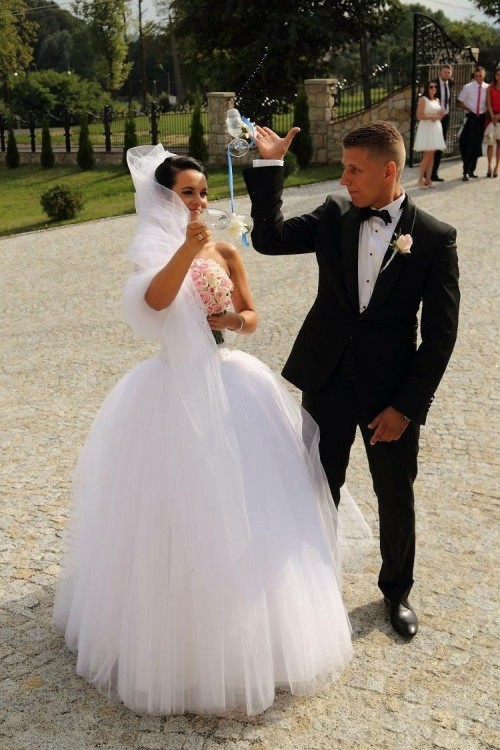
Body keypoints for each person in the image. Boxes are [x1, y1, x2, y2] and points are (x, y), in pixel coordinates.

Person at [53, 144, 367, 716]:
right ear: (164, 199)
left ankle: (253, 629)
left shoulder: (225, 249)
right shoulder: (152, 251)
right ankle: (171, 630)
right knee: (175, 502)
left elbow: (251, 316)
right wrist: (184, 250)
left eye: (202, 192)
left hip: (230, 380)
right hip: (172, 385)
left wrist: (231, 319)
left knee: (250, 501)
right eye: (186, 193)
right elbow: (153, 303)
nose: (198, 201)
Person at [243, 121, 460, 640]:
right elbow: (268, 240)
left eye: (354, 170)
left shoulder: (434, 238)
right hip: (327, 378)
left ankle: (397, 592)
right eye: (344, 168)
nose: (344, 179)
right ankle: (310, 588)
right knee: (317, 486)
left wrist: (405, 408)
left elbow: (440, 337)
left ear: (389, 170)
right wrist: (270, 164)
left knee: (395, 493)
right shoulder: (334, 214)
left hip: (390, 392)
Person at [457, 65, 489, 181]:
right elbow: (459, 102)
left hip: (482, 117)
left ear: (484, 75)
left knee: (477, 144)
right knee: (469, 144)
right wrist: (470, 109)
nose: (478, 78)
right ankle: (465, 171)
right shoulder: (468, 87)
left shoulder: (487, 87)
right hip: (472, 116)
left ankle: (472, 170)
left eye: (480, 75)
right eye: (476, 76)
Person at [414, 80, 446, 188]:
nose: (433, 88)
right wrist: (432, 117)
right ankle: (420, 180)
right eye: (431, 87)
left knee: (432, 155)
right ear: (427, 88)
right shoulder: (423, 99)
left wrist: (440, 115)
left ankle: (428, 179)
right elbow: (419, 116)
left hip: (435, 128)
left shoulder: (437, 100)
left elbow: (439, 115)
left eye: (435, 87)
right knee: (427, 155)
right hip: (427, 128)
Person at [430, 64, 453, 182]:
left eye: (449, 73)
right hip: (435, 118)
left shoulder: (451, 83)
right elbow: (427, 98)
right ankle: (427, 172)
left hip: (445, 118)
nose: (447, 74)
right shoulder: (433, 84)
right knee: (432, 146)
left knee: (440, 144)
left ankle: (434, 173)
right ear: (440, 72)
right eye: (445, 72)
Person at [484, 66, 500, 177]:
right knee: (490, 143)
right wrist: (493, 115)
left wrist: (498, 116)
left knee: (499, 144)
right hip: (491, 117)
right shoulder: (490, 87)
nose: (499, 77)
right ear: (495, 76)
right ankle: (489, 166)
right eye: (498, 75)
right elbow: (488, 103)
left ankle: (496, 167)